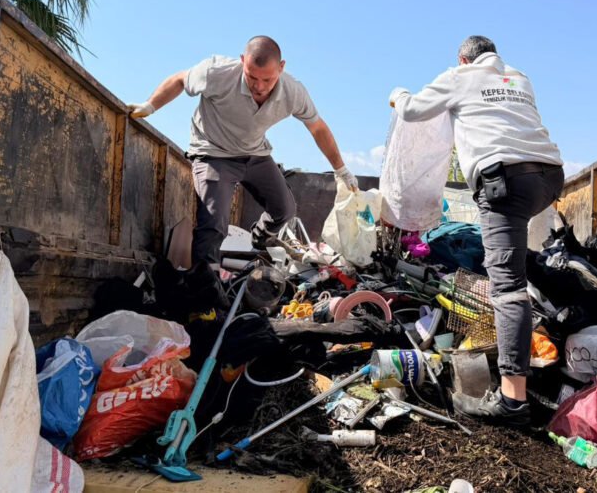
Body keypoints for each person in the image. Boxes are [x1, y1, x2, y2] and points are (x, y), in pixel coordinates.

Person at [390, 35, 564, 426]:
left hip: (506, 182)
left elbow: (414, 110)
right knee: (514, 265)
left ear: (463, 59)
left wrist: (398, 95)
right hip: (549, 178)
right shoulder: (520, 78)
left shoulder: (460, 75)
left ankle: (512, 400)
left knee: (507, 290)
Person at [129, 35, 358, 263]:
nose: (259, 86)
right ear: (242, 61)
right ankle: (203, 286)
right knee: (213, 224)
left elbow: (318, 128)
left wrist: (341, 170)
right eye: (251, 77)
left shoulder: (294, 92)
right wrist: (150, 105)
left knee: (285, 209)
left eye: (267, 80)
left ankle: (260, 238)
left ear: (281, 67)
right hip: (214, 153)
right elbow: (180, 79)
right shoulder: (216, 72)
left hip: (255, 154)